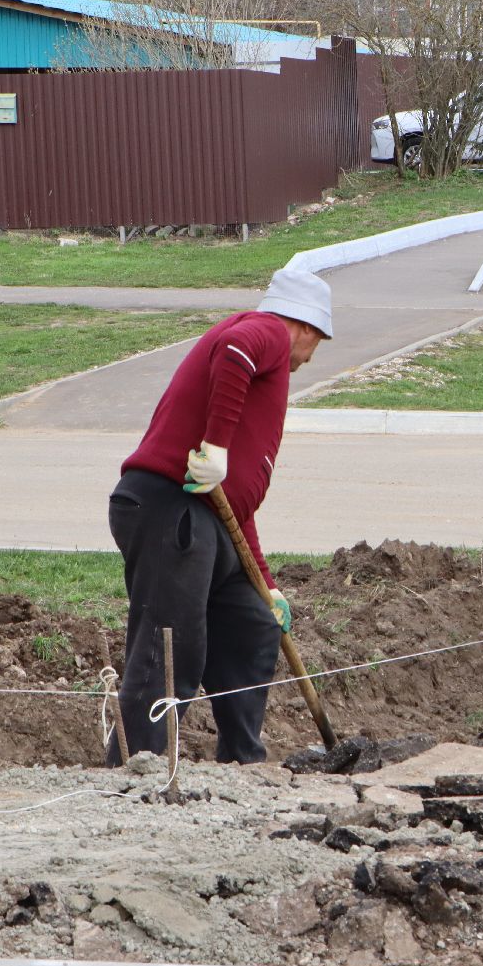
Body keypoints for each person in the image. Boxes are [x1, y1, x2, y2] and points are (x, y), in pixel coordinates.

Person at [105, 267, 332, 765]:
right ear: (309, 328)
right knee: (171, 646)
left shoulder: (268, 359)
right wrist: (216, 445)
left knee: (253, 624)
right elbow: (235, 351)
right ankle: (136, 766)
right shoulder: (268, 330)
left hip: (208, 515)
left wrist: (266, 583)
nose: (311, 358)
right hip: (170, 507)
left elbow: (235, 506)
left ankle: (241, 761)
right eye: (319, 342)